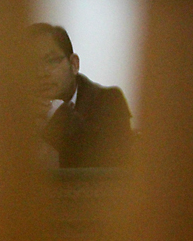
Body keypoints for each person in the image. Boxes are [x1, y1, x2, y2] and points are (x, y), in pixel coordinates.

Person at [28, 23, 133, 168]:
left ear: (74, 64)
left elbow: (113, 161)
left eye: (51, 61)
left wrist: (56, 114)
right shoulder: (14, 112)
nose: (41, 73)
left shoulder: (109, 101)